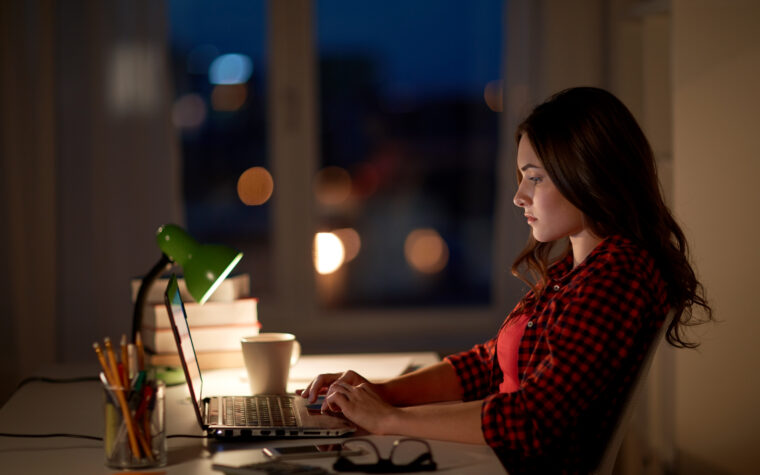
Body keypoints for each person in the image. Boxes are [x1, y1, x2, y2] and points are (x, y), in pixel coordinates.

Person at [298, 87, 712, 473]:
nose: (519, 196)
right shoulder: (577, 270)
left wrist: (387, 419)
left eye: (535, 177)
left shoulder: (618, 277)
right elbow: (487, 364)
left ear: (588, 174)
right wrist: (382, 394)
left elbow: (534, 417)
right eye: (521, 177)